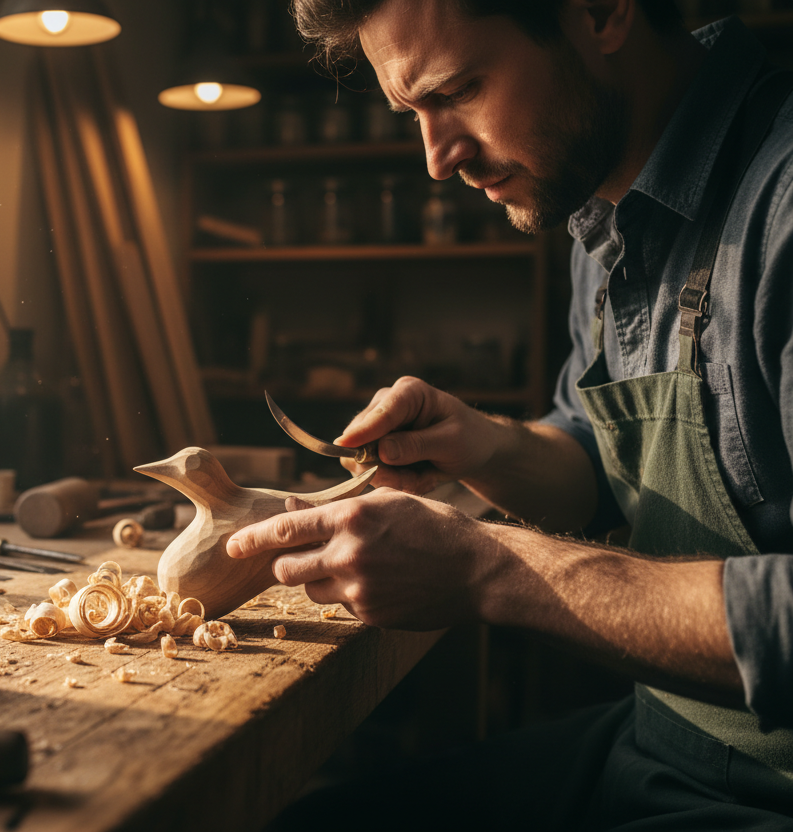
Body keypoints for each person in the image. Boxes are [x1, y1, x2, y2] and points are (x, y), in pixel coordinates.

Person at [227, 0, 793, 828]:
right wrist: (481, 446)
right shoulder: (597, 198)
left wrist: (489, 569)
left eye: (457, 91)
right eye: (412, 113)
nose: (436, 158)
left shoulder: (780, 202)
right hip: (665, 738)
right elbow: (600, 463)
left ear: (600, 13)